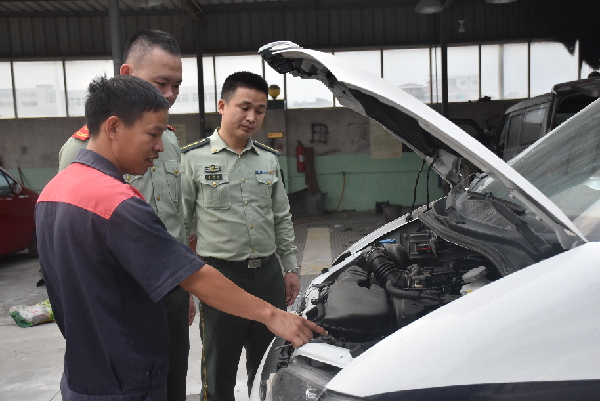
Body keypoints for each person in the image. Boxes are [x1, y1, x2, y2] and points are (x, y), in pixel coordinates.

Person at [37, 74, 325, 401]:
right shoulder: (117, 203)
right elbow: (192, 275)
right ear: (114, 127)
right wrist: (274, 315)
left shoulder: (55, 191)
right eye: (153, 134)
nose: (160, 147)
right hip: (127, 380)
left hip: (84, 375)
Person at [57, 30, 193, 401]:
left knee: (174, 383)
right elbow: (73, 245)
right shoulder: (80, 151)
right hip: (124, 301)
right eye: (160, 83)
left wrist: (185, 291)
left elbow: (178, 219)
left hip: (171, 288)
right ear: (127, 74)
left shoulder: (169, 141)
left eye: (177, 85)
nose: (170, 94)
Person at [181, 71, 301, 401]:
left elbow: (281, 217)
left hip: (268, 276)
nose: (252, 117)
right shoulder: (193, 159)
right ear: (222, 106)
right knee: (218, 371)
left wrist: (290, 267)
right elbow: (182, 226)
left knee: (268, 369)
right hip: (220, 277)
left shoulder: (268, 159)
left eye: (260, 110)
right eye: (244, 107)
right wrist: (185, 286)